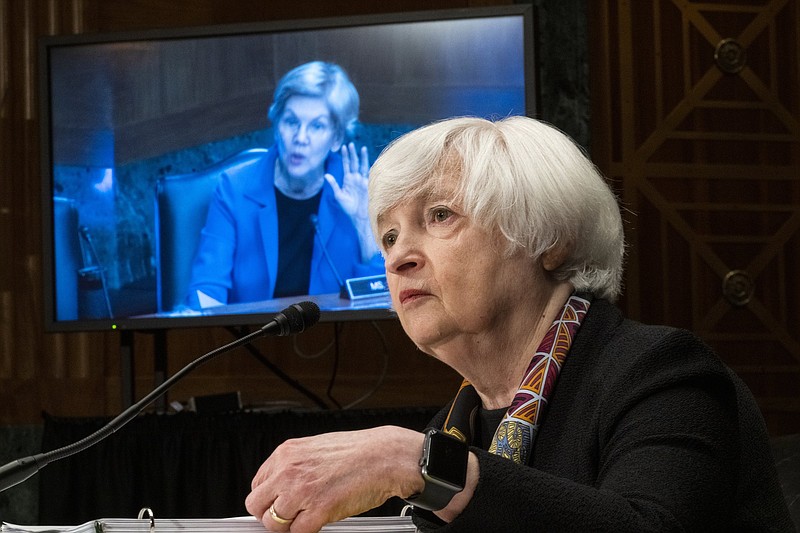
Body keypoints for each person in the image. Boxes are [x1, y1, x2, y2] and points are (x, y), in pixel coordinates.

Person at [245, 116, 794, 532]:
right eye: (388, 236)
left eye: (439, 216)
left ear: (548, 239)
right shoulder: (456, 426)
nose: (397, 258)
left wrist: (418, 463)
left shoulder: (661, 374)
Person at [185, 61, 383, 309]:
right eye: (291, 122)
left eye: (317, 126)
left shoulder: (355, 190)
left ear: (336, 138)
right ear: (277, 125)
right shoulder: (235, 189)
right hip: (254, 337)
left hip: (336, 338)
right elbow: (206, 289)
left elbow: (384, 298)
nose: (300, 138)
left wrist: (365, 225)